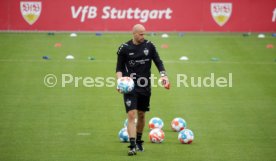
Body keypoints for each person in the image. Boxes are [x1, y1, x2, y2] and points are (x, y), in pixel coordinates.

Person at [116, 24, 170, 156]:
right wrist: (119, 82)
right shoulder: (124, 48)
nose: (143, 36)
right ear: (134, 34)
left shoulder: (149, 46)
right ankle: (132, 146)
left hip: (145, 86)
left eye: (144, 34)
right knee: (131, 115)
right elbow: (119, 69)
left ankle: (139, 141)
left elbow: (158, 61)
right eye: (140, 34)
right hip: (130, 86)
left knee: (141, 114)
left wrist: (164, 75)